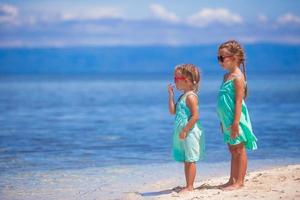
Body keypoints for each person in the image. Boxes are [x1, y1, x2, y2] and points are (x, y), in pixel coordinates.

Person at [216, 40, 257, 190]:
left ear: (234, 58)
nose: (220, 61)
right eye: (218, 58)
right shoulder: (226, 76)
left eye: (222, 58)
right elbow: (225, 101)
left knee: (239, 149)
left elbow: (239, 102)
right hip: (226, 119)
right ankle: (232, 179)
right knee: (232, 149)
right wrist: (222, 120)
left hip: (236, 119)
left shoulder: (238, 78)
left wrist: (235, 123)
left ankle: (240, 182)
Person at [168, 64, 205, 193]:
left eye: (176, 79)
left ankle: (190, 187)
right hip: (183, 132)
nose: (174, 81)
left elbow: (195, 116)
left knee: (191, 159)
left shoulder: (191, 97)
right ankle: (187, 184)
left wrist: (185, 130)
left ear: (187, 81)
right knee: (186, 159)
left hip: (190, 131)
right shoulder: (182, 96)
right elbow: (172, 112)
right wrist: (171, 95)